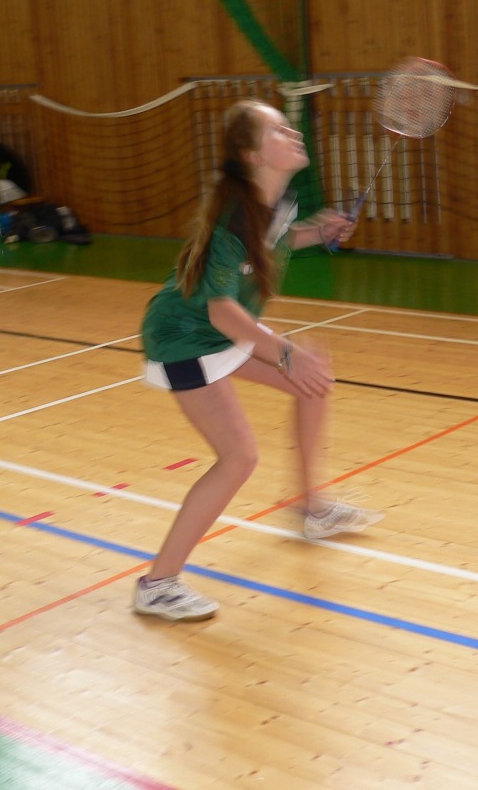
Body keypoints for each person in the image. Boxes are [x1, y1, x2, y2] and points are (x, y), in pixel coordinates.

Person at [133, 98, 382, 622]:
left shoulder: (270, 203)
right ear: (253, 155)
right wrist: (284, 352)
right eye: (279, 131)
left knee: (313, 380)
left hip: (218, 330)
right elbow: (222, 311)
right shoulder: (232, 220)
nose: (294, 135)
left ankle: (312, 508)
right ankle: (158, 584)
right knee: (239, 457)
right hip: (185, 338)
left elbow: (275, 240)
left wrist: (317, 231)